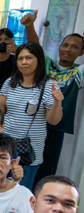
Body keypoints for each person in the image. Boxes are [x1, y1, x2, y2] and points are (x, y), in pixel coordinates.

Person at [0, 42, 63, 190]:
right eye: (20, 58)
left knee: (21, 192)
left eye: (29, 58)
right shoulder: (10, 82)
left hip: (29, 151)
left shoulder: (48, 85)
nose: (23, 62)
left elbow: (53, 120)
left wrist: (57, 102)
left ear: (38, 60)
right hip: (5, 145)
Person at [25, 27, 84, 185]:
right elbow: (34, 46)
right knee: (25, 167)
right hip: (33, 124)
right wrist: (28, 25)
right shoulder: (47, 64)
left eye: (74, 47)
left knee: (46, 173)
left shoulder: (79, 71)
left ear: (81, 52)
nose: (68, 49)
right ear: (59, 47)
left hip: (56, 131)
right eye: (65, 45)